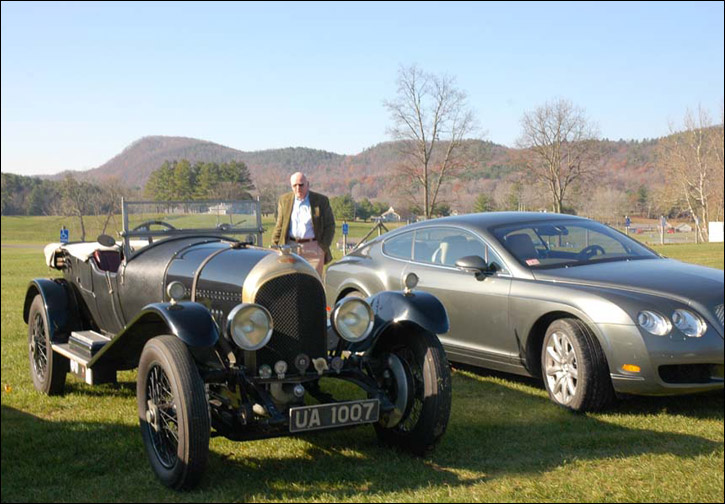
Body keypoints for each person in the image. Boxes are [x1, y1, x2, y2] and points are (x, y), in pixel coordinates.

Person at [272, 172, 335, 277]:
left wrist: (322, 247)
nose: (298, 188)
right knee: (290, 280)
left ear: (307, 184)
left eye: (301, 185)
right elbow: (279, 226)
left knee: (313, 281)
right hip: (290, 247)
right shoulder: (284, 200)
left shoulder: (320, 201)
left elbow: (330, 225)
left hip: (313, 249)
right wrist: (275, 246)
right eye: (294, 185)